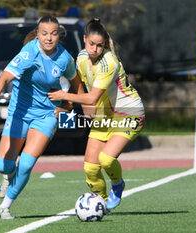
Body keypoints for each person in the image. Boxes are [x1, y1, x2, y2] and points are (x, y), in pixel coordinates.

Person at [0, 15, 76, 220]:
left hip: (47, 114)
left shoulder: (65, 57)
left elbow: (76, 83)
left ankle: (5, 207)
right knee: (3, 165)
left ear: (59, 34)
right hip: (20, 112)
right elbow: (4, 77)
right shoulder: (29, 52)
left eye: (53, 33)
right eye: (44, 33)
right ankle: (7, 175)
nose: (49, 38)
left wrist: (68, 103)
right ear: (38, 34)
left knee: (26, 164)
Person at [48, 18, 145, 211]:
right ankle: (99, 202)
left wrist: (62, 96)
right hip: (104, 116)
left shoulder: (109, 63)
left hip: (129, 114)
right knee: (91, 169)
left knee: (106, 160)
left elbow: (92, 98)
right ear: (84, 39)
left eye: (100, 46)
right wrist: (69, 105)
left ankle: (117, 185)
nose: (95, 49)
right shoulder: (82, 58)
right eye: (91, 44)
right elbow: (81, 87)